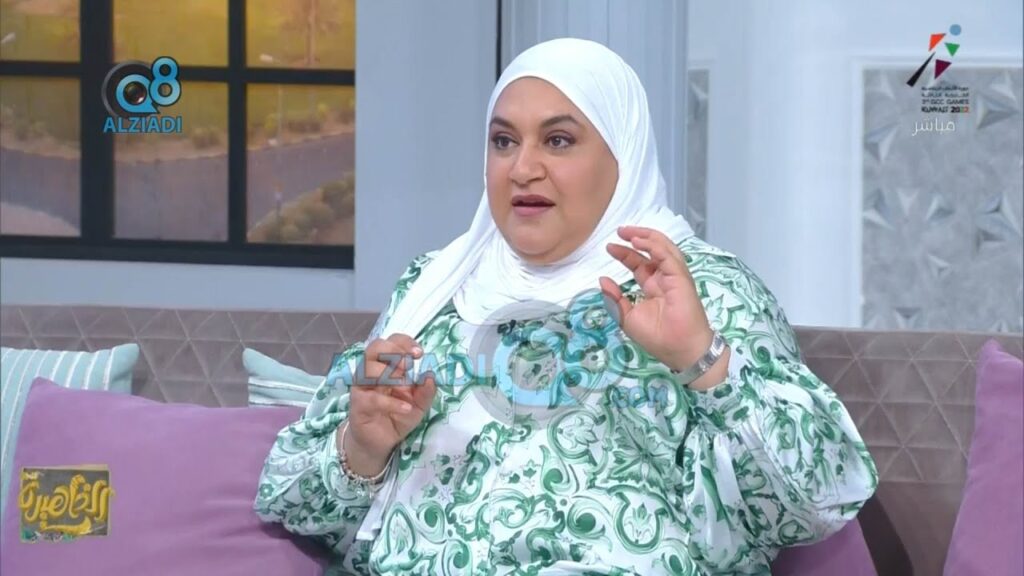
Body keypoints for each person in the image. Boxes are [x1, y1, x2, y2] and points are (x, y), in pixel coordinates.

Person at [254, 38, 877, 576]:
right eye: (504, 141)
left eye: (558, 140)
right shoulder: (436, 288)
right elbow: (295, 506)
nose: (523, 169)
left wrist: (702, 360)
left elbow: (812, 501)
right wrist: (363, 450)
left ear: (621, 154)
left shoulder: (699, 288)